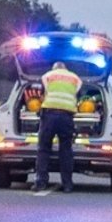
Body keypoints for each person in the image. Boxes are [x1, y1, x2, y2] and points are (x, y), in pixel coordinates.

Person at [33, 60, 81, 194]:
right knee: (65, 150)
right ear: (65, 68)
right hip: (66, 116)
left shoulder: (47, 76)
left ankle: (41, 182)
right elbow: (78, 96)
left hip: (49, 115)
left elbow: (42, 95)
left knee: (44, 149)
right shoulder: (75, 78)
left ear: (54, 68)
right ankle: (67, 185)